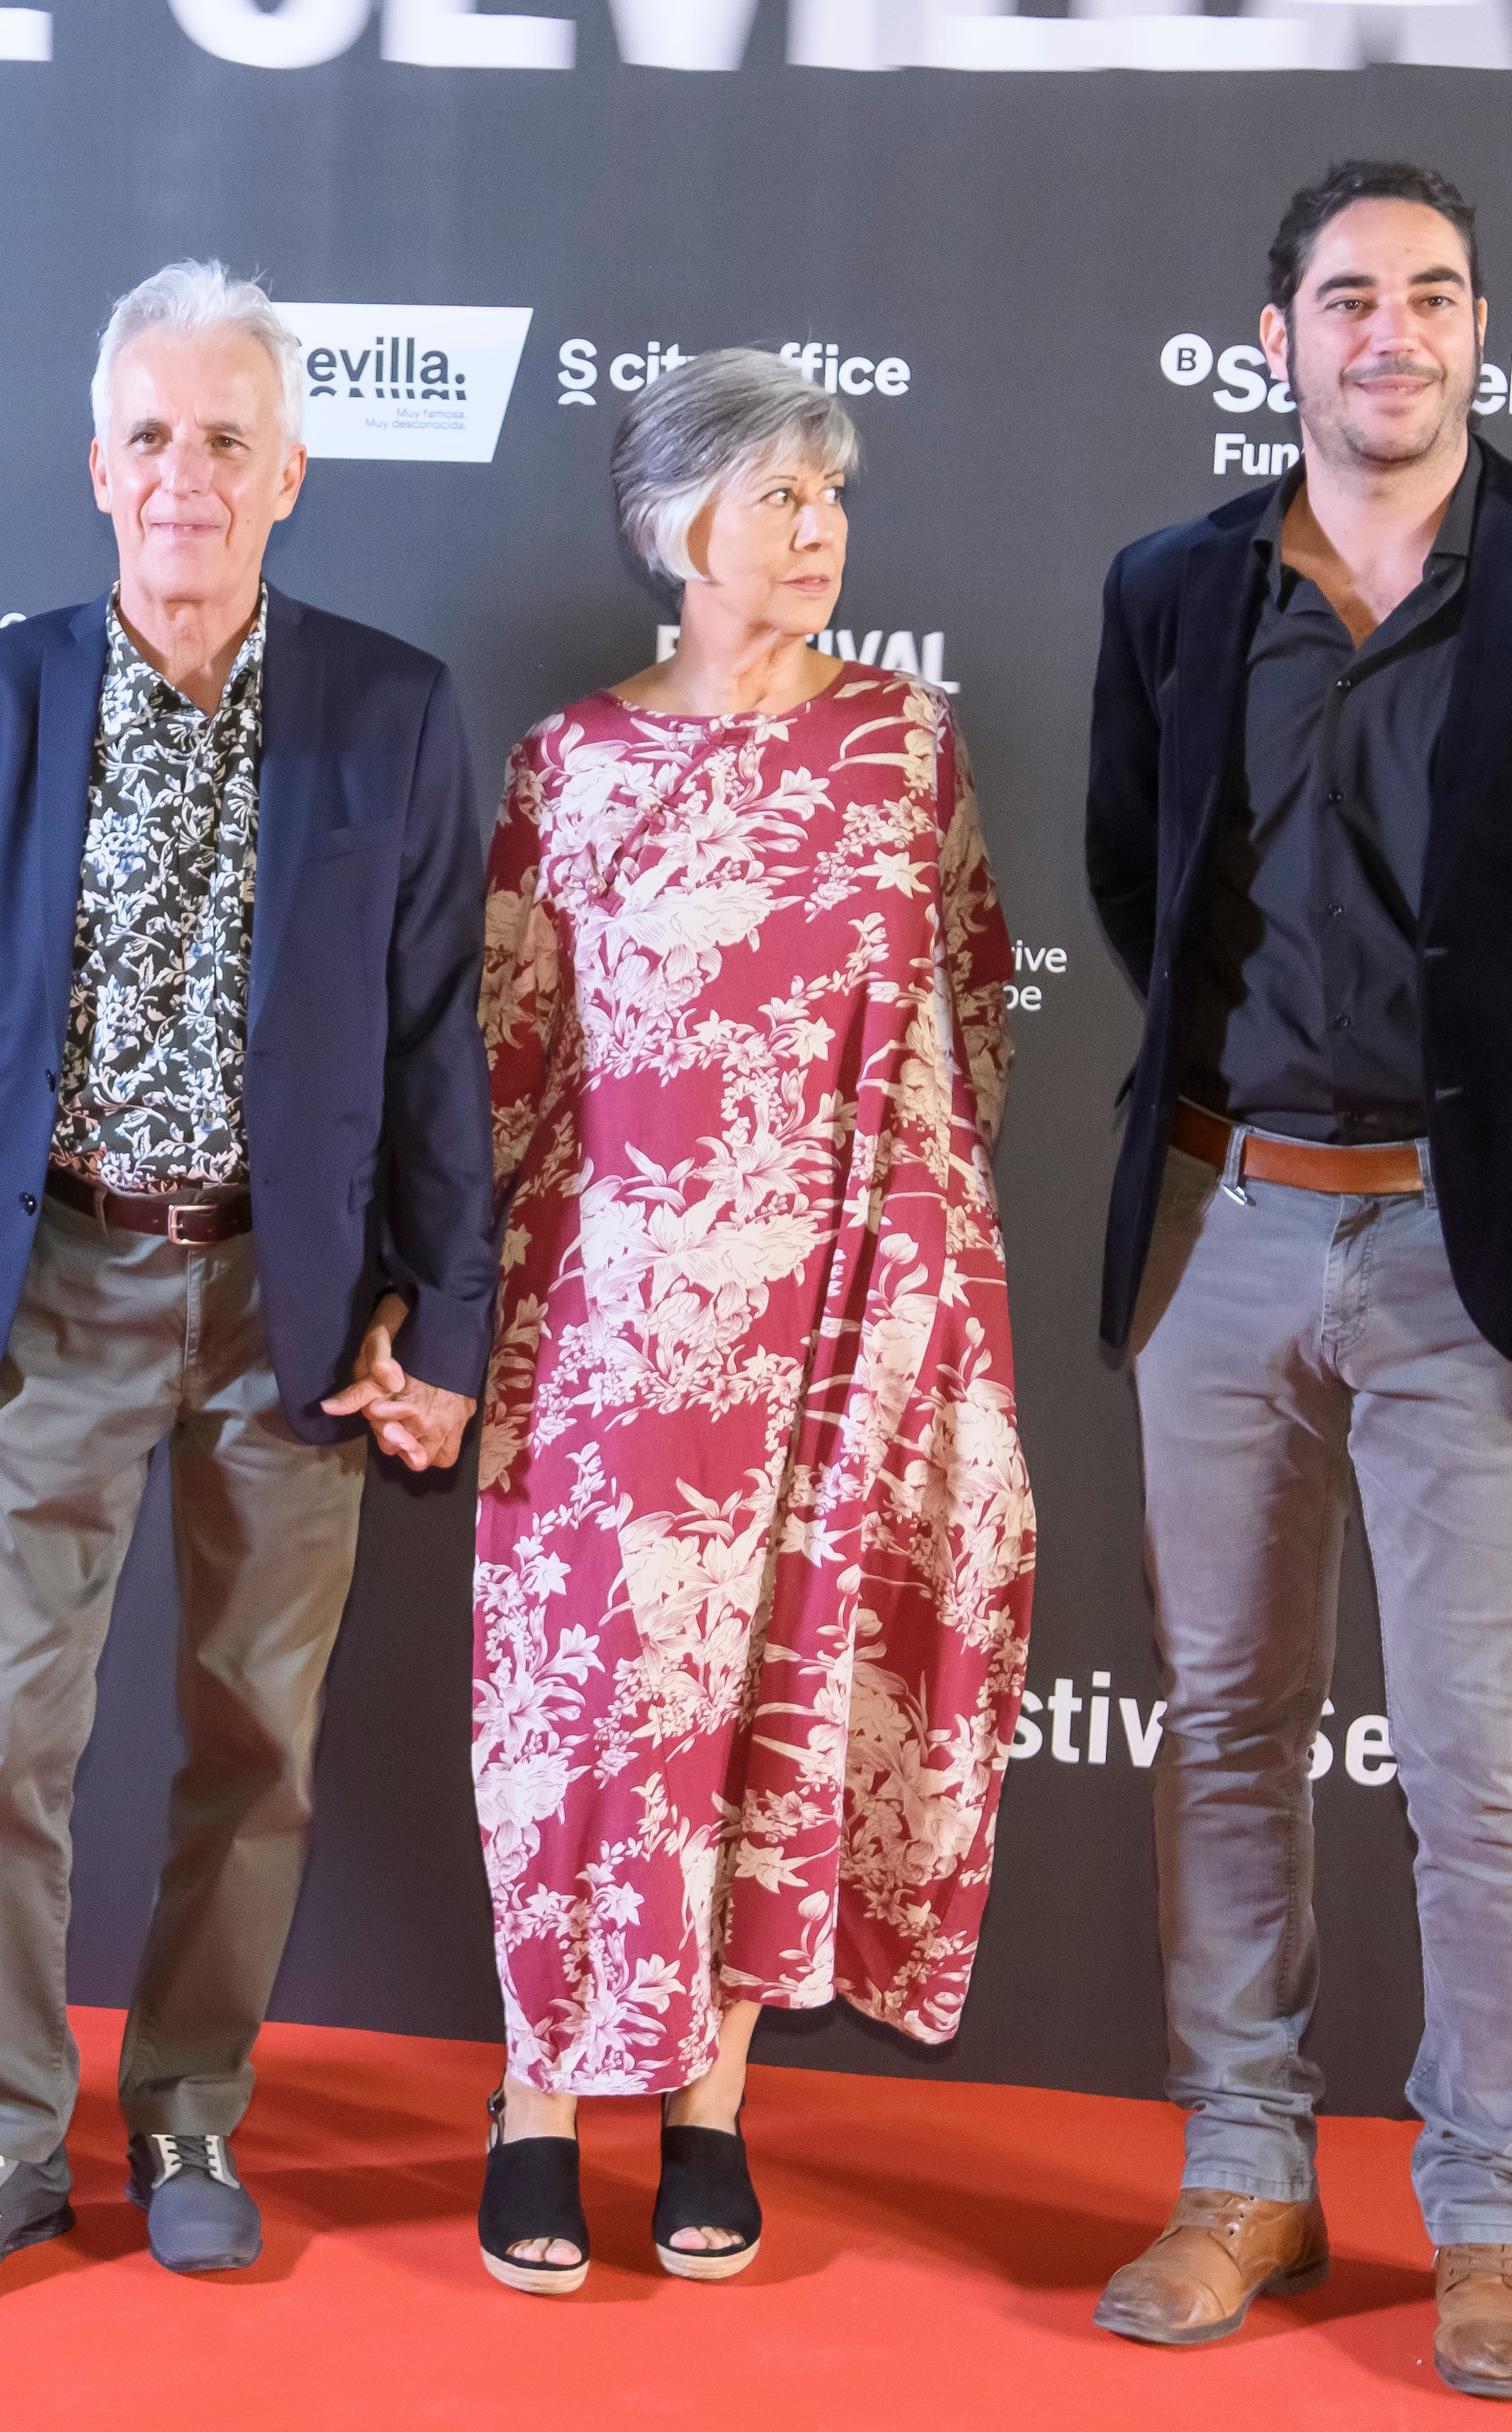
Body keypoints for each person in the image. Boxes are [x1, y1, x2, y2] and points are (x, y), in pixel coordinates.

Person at [1083, 161, 1512, 2403]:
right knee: (1231, 1735)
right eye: (1349, 297)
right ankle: (1244, 2171)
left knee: (1485, 1762)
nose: (1393, 332)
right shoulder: (1172, 591)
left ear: (1479, 332)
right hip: (1227, 1231)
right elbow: (1135, 889)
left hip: (1496, 1262)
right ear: (1277, 338)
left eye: (1433, 295)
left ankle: (1486, 2221)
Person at [0, 260, 498, 2297]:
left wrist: (446, 1317)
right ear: (94, 466)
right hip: (49, 1277)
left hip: (288, 1309)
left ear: (290, 472)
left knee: (258, 1744)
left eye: (226, 441)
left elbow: (432, 1047)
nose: (184, 478)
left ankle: (196, 2111)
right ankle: (0, 2142)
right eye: (149, 437)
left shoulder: (389, 712)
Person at [468, 349, 1037, 2295]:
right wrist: (491, 1320)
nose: (820, 533)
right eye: (782, 496)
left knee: (789, 1701)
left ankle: (712, 2108)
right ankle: (537, 2100)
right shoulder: (571, 763)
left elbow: (972, 1024)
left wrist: (924, 1298)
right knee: (588, 1716)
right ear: (673, 523)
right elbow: (511, 1057)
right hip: (612, 1324)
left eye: (834, 498)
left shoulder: (908, 745)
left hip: (846, 1319)